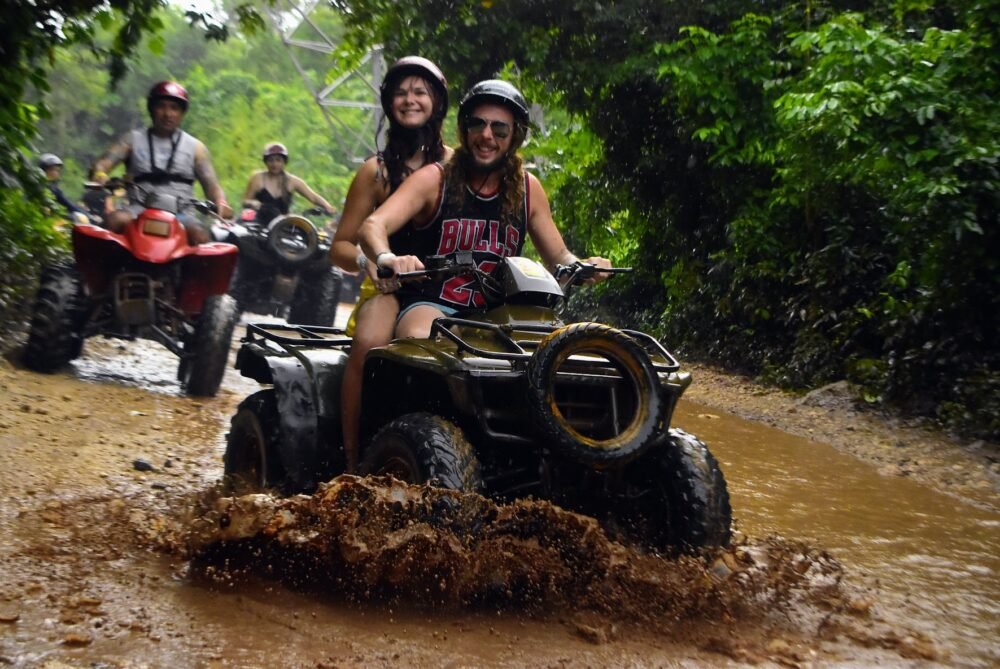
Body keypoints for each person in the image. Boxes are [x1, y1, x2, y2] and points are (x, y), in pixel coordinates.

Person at [359, 79, 611, 340]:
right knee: (423, 338)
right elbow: (373, 225)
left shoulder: (528, 189)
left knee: (554, 350)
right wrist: (387, 257)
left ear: (515, 136)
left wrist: (584, 266)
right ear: (464, 130)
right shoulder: (434, 179)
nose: (487, 135)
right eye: (477, 124)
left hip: (501, 315)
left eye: (500, 129)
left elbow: (559, 256)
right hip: (433, 305)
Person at [328, 55, 452, 472]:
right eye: (400, 92)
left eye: (420, 92)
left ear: (437, 101)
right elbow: (340, 246)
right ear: (388, 103)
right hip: (391, 289)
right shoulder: (375, 172)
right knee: (367, 343)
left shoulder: (458, 167)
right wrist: (370, 259)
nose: (410, 100)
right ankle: (352, 460)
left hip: (451, 291)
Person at [90, 81, 232, 244]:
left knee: (201, 235)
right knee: (113, 220)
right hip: (138, 211)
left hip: (181, 214)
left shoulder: (196, 148)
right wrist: (100, 175)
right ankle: (98, 269)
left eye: (174, 108)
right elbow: (102, 164)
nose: (167, 113)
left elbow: (212, 185)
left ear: (182, 113)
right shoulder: (132, 140)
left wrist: (221, 203)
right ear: (152, 110)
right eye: (161, 106)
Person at [242, 143, 337, 225]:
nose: (274, 164)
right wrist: (254, 203)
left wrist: (327, 207)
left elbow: (313, 197)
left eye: (278, 160)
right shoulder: (257, 178)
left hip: (281, 226)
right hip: (259, 222)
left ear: (284, 162)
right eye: (271, 160)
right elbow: (245, 201)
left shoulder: (293, 181)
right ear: (266, 162)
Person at [38, 153, 88, 222]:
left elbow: (68, 204)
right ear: (43, 170)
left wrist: (86, 215)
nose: (55, 173)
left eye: (57, 170)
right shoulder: (37, 185)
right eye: (52, 170)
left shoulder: (55, 188)